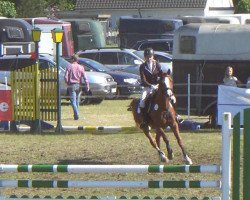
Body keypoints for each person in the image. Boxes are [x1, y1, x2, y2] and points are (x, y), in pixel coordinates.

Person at [64, 55, 90, 120]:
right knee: (77, 100)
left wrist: (67, 83)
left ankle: (76, 114)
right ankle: (76, 115)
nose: (70, 60)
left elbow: (65, 77)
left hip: (72, 84)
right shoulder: (81, 67)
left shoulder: (69, 66)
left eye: (70, 59)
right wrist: (87, 85)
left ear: (73, 59)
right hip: (79, 85)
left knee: (73, 101)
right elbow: (85, 77)